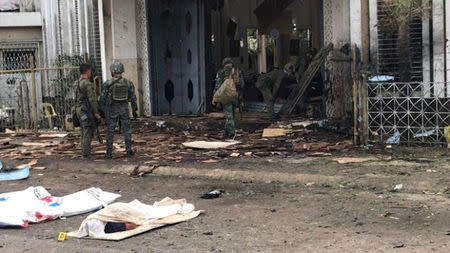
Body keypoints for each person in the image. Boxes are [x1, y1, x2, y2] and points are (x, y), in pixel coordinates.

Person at [99, 61, 138, 158]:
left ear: (112, 71)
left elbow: (103, 98)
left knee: (110, 131)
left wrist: (101, 110)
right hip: (124, 109)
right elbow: (133, 99)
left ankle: (108, 153)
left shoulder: (108, 83)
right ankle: (128, 151)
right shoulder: (129, 83)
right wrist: (134, 111)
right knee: (126, 130)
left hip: (112, 109)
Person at [212, 58, 244, 138]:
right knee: (232, 115)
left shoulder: (221, 72)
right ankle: (227, 132)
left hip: (225, 96)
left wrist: (215, 97)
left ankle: (231, 133)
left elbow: (217, 85)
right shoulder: (237, 72)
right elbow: (242, 85)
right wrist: (240, 96)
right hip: (235, 96)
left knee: (228, 115)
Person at [75, 64, 101, 159]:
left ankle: (84, 151)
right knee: (87, 130)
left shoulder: (77, 82)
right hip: (85, 111)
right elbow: (92, 99)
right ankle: (86, 153)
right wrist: (96, 112)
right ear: (88, 71)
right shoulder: (87, 83)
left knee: (83, 129)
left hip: (78, 110)